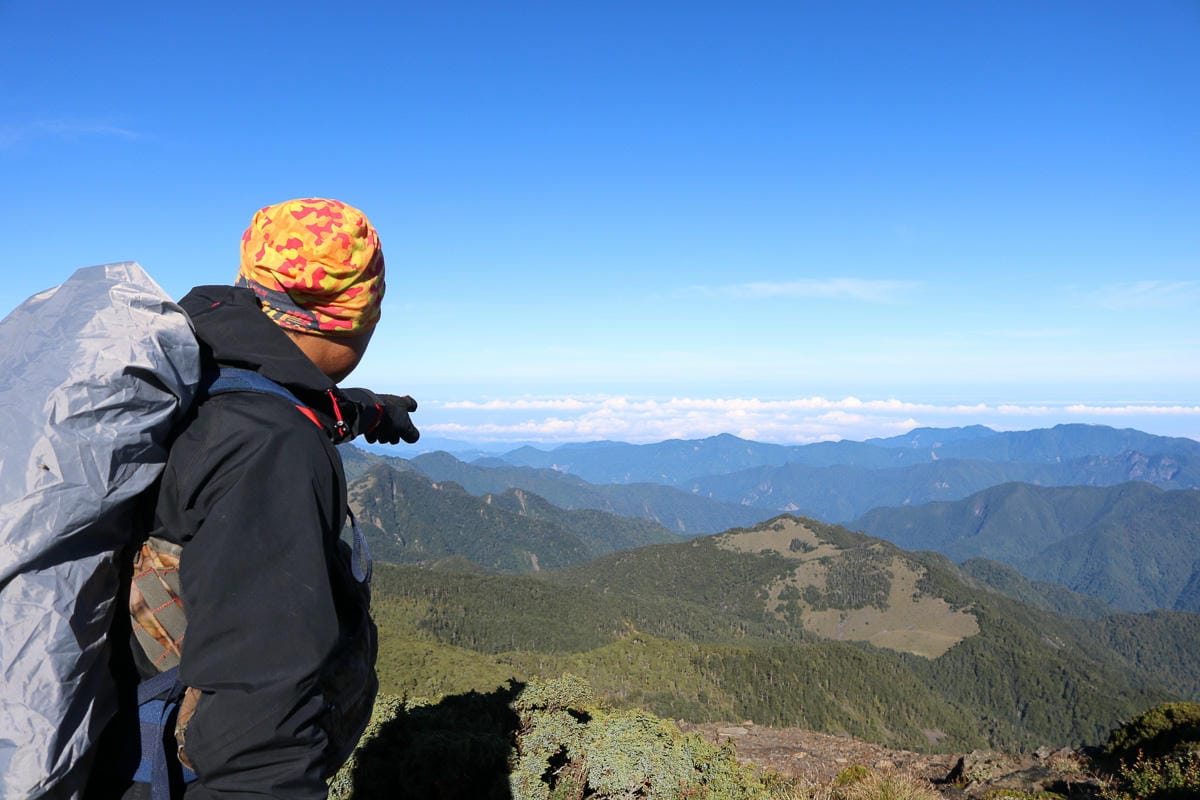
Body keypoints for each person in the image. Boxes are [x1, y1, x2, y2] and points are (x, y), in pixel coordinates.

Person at [87, 198, 419, 799]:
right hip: (178, 776)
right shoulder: (271, 448)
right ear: (354, 319)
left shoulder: (192, 361)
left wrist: (366, 411)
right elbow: (262, 713)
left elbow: (261, 390)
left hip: (121, 741)